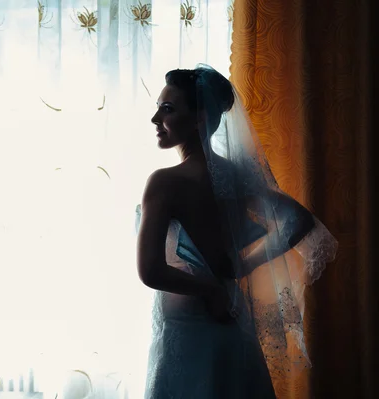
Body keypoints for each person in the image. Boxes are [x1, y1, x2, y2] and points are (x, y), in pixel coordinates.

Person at [135, 66, 337, 398]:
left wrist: (211, 290)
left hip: (189, 340)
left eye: (168, 109)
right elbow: (298, 221)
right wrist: (244, 266)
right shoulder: (236, 175)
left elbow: (150, 271)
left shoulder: (165, 182)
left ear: (200, 118)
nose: (156, 118)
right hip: (232, 331)